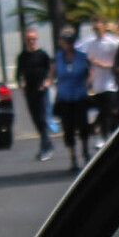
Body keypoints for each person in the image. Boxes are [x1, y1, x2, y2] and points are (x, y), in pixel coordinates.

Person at [52, 25, 94, 167]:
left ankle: (85, 151)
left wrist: (88, 84)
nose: (69, 44)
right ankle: (72, 157)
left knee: (83, 125)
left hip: (79, 95)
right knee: (68, 127)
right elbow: (51, 75)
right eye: (66, 40)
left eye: (71, 40)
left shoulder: (82, 57)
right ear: (61, 42)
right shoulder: (57, 58)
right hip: (65, 97)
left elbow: (90, 71)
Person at [15, 27, 56, 161]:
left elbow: (50, 69)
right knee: (36, 119)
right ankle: (47, 143)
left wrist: (47, 82)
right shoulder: (22, 56)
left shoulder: (42, 54)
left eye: (33, 39)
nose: (31, 42)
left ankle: (45, 146)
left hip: (41, 90)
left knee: (42, 117)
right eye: (28, 39)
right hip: (30, 91)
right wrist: (21, 85)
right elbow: (18, 73)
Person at [86, 21, 119, 134]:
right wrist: (90, 79)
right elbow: (90, 63)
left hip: (110, 83)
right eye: (94, 29)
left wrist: (103, 64)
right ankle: (103, 136)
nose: (96, 31)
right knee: (102, 112)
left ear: (104, 27)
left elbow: (117, 62)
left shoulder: (112, 42)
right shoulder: (91, 44)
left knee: (110, 111)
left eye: (98, 28)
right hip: (97, 84)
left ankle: (112, 135)